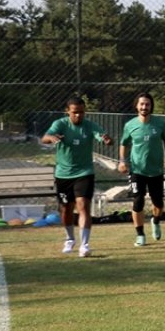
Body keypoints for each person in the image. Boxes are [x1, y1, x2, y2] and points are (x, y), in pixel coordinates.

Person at [41, 96, 113, 258]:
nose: (78, 116)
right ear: (68, 112)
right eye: (75, 112)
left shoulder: (90, 126)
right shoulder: (60, 124)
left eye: (81, 112)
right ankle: (70, 239)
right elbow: (44, 137)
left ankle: (85, 245)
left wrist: (106, 139)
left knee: (83, 206)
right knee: (66, 209)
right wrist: (51, 138)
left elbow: (101, 136)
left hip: (84, 172)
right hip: (63, 174)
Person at [118, 93, 165, 247]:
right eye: (141, 104)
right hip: (137, 170)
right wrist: (122, 161)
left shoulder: (160, 124)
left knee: (158, 203)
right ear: (137, 106)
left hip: (156, 170)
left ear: (151, 106)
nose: (144, 107)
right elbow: (124, 144)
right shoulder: (130, 125)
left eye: (147, 104)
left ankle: (155, 221)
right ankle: (140, 234)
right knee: (138, 200)